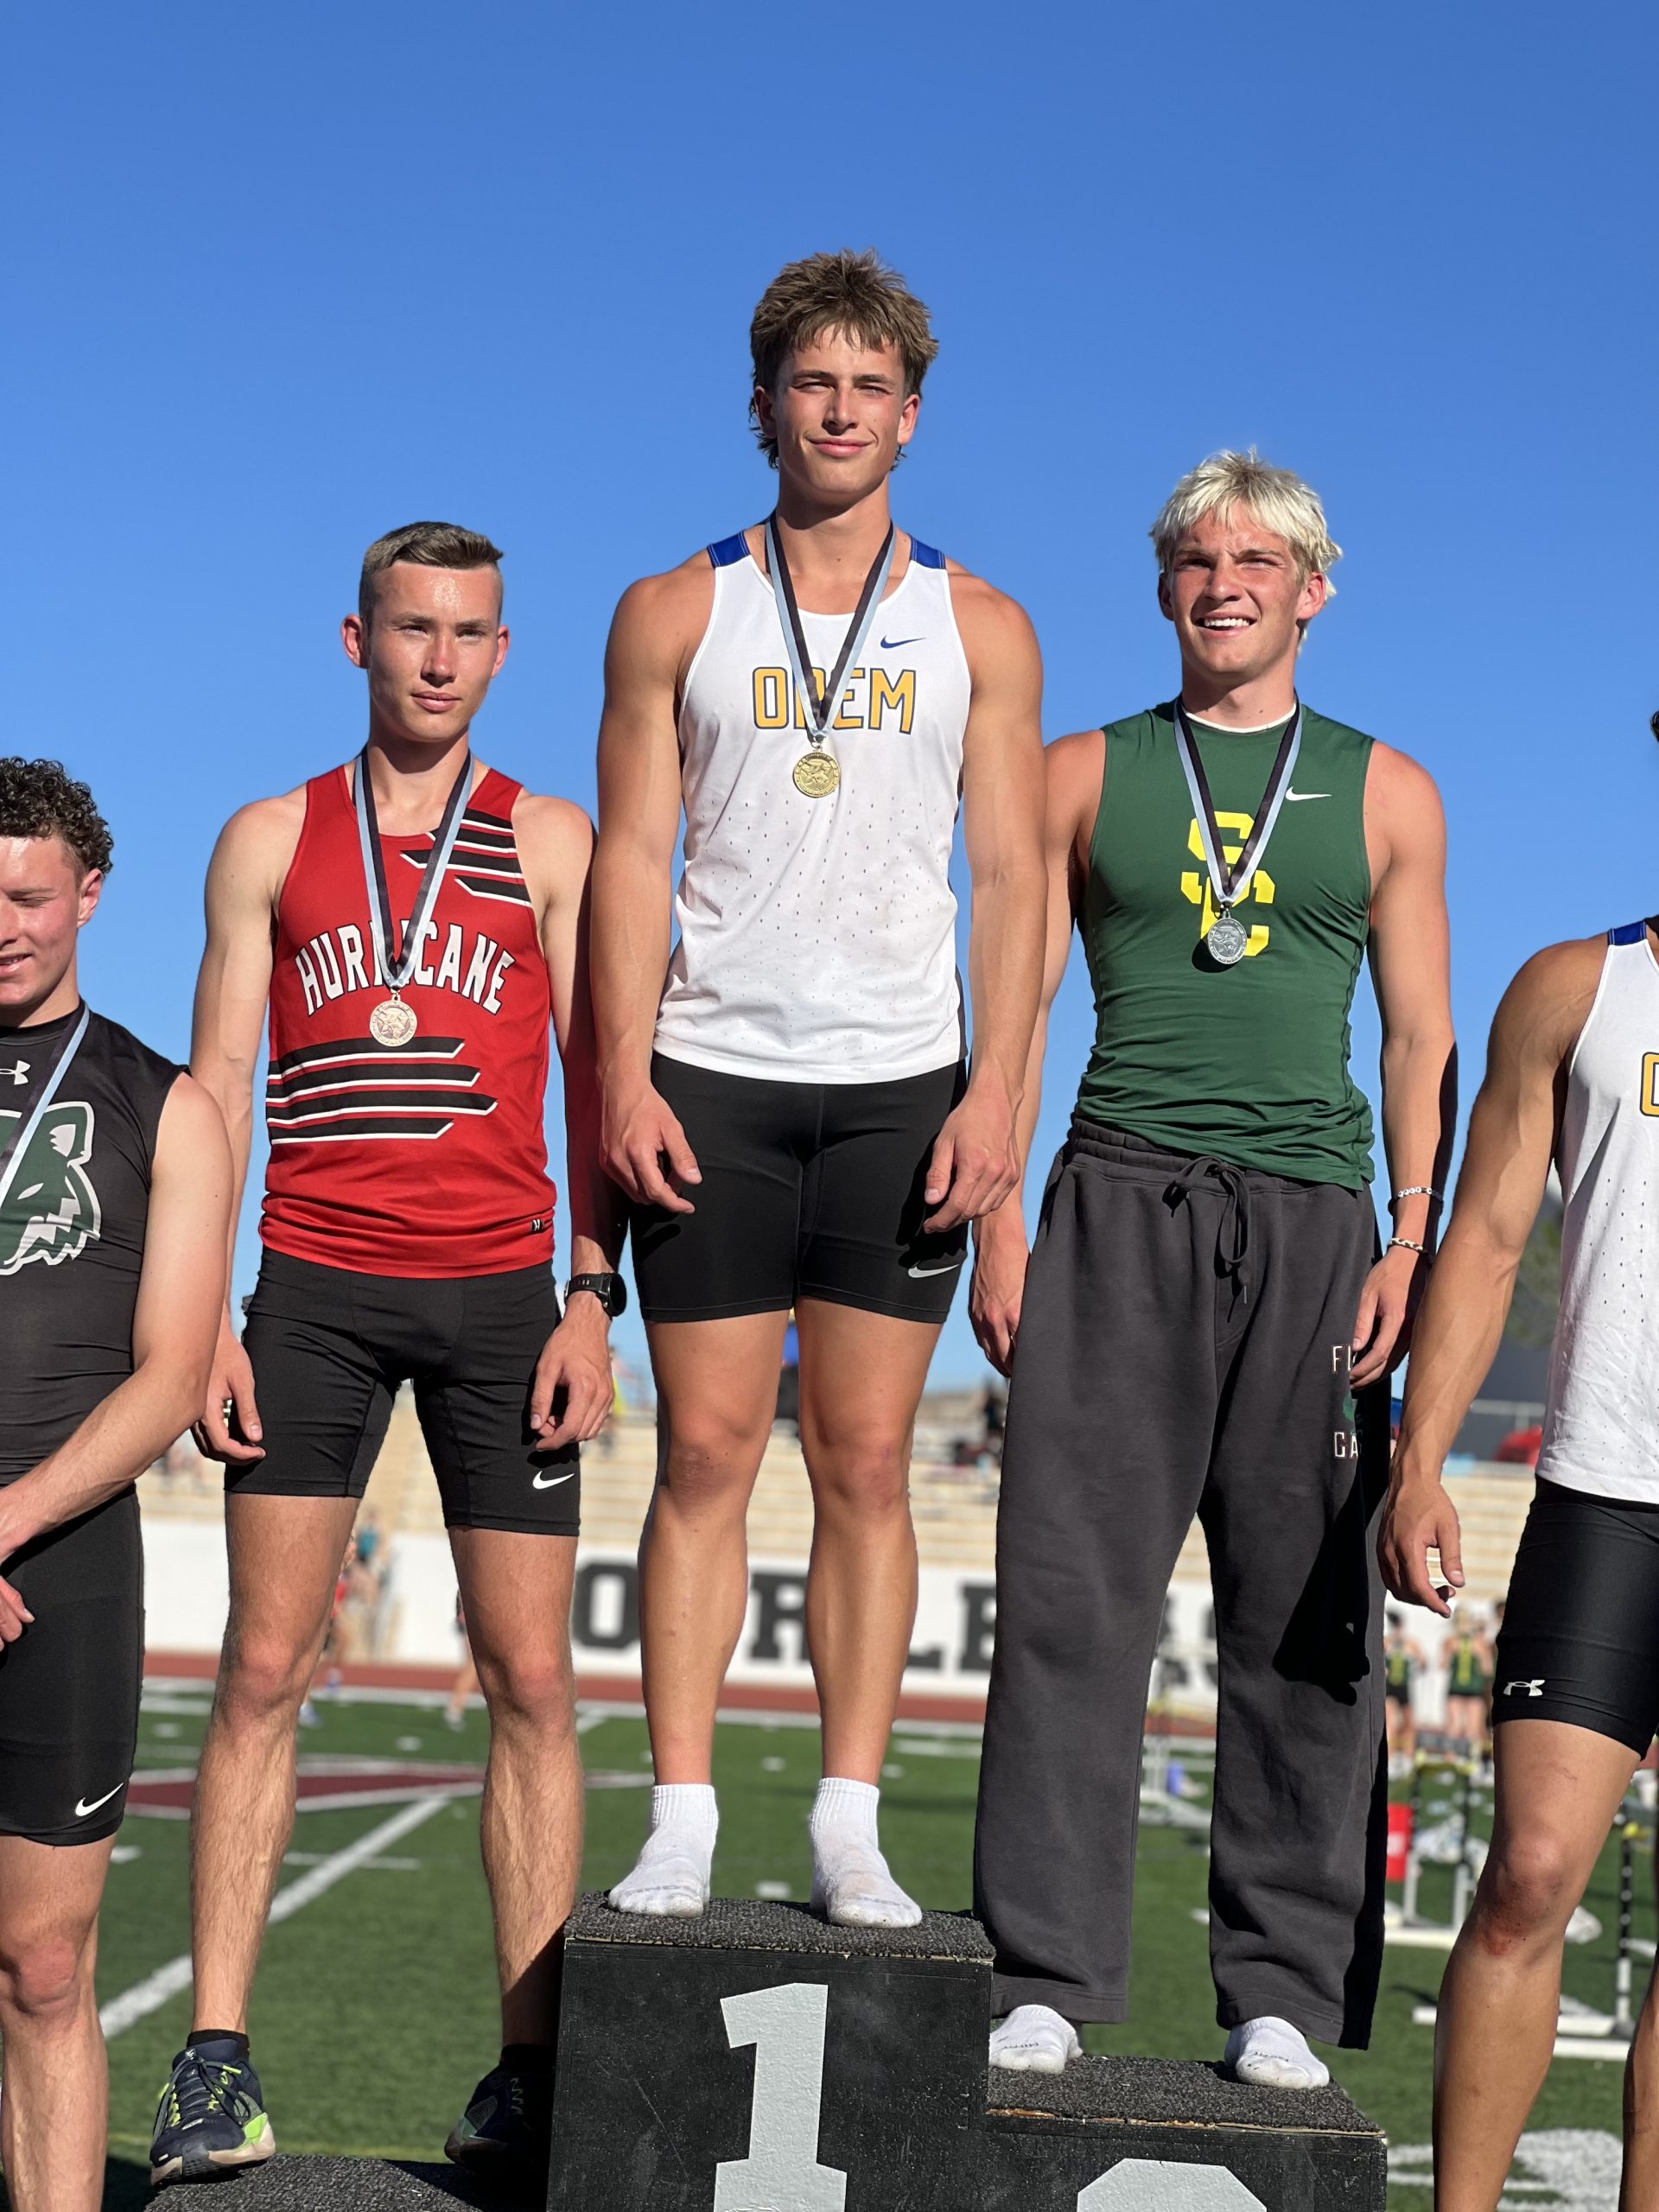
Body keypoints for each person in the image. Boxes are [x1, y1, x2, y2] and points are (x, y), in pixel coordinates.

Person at [972, 450, 1455, 2088]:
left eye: (1257, 562)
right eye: (1197, 560)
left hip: (1318, 1220)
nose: (1224, 584)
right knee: (1069, 1604)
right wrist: (998, 1222)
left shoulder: (1389, 791)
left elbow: (1418, 1037)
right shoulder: (1078, 774)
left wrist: (1409, 1237)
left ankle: (1281, 1995)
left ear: (1313, 591)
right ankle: (1043, 1972)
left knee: (1302, 1622)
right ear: (1164, 585)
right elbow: (1014, 1016)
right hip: (1119, 1198)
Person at [151, 523, 626, 2186]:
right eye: (412, 628)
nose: (439, 658)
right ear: (355, 640)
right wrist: (200, 1317)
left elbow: (599, 1075)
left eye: (468, 632)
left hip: (503, 1294)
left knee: (534, 1680)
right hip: (315, 1292)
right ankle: (214, 2061)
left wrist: (593, 1293)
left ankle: (529, 2075)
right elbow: (215, 1089)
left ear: (504, 652)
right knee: (262, 1667)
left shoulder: (550, 839)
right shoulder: (269, 837)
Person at [592, 250, 1044, 1924]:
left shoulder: (981, 624)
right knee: (704, 1452)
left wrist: (999, 1098)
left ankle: (850, 1819)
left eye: (870, 387)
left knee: (864, 1460)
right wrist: (621, 1075)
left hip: (898, 1087)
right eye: (813, 383)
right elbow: (629, 862)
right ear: (764, 404)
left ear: (910, 416)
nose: (840, 411)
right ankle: (683, 1813)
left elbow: (1014, 878)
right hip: (710, 1074)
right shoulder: (672, 609)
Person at [1378, 885, 1659, 2209]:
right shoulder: (1576, 990)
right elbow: (1489, 1239)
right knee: (1530, 1876)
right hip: (1606, 1493)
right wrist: (1419, 1460)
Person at [0, 760, 230, 2212]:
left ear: (88, 894)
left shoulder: (169, 1104)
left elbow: (171, 1374)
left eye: (28, 897)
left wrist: (8, 1522)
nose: (1, 927)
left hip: (65, 1557)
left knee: (42, 1964)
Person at [1442, 1611, 1493, 1761]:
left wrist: (1480, 1655)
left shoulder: (1478, 1643)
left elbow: (1487, 1670)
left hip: (1473, 1689)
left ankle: (1471, 1761)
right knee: (1454, 1726)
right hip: (1457, 1688)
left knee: (1473, 1728)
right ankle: (1451, 1760)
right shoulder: (1452, 1641)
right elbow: (1443, 1665)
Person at [1383, 1613, 1423, 1770]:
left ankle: (1407, 1759)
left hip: (1405, 1688)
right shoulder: (1386, 1642)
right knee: (1391, 1722)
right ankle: (1389, 1759)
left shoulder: (1410, 1643)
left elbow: (1423, 1662)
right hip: (1390, 1687)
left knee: (1409, 1724)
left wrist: (1415, 1658)